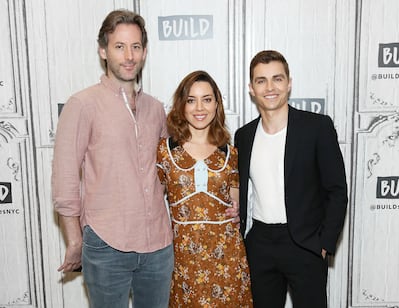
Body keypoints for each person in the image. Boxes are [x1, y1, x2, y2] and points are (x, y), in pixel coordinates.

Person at [51, 10, 174, 308]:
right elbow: (65, 179)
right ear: (103, 51)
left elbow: (168, 170)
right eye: (119, 46)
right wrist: (75, 241)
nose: (128, 55)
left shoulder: (156, 109)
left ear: (144, 52)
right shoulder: (82, 105)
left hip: (158, 245)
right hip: (106, 244)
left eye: (135, 47)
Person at [234, 50, 348, 308]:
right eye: (261, 80)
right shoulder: (244, 136)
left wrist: (324, 244)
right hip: (259, 243)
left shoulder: (317, 127)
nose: (270, 87)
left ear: (289, 83)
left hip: (305, 243)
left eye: (277, 78)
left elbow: (337, 190)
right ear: (251, 88)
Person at [156, 70, 253, 307]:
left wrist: (238, 212)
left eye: (207, 99)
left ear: (217, 104)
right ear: (182, 105)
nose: (199, 108)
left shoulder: (231, 154)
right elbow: (154, 206)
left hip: (226, 257)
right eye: (191, 100)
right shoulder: (165, 151)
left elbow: (235, 206)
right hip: (182, 259)